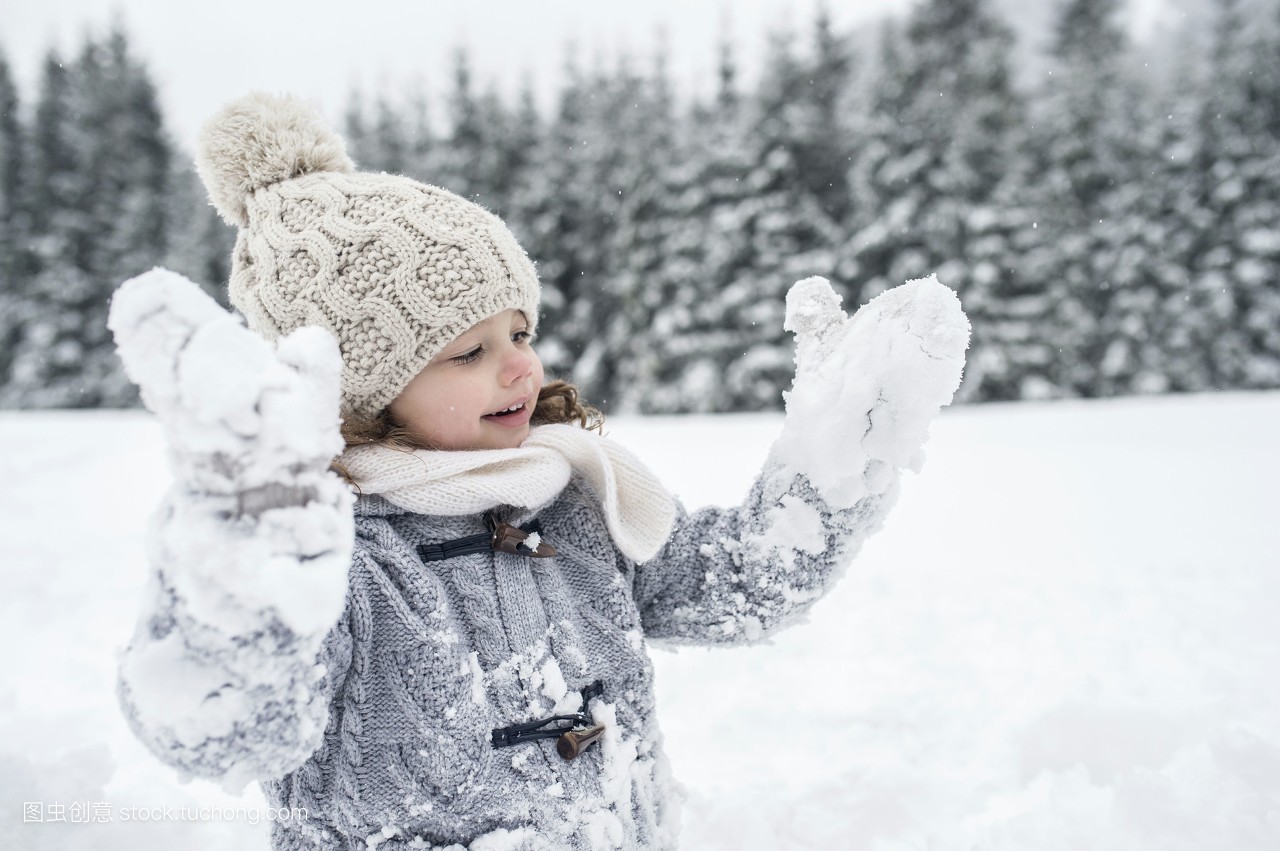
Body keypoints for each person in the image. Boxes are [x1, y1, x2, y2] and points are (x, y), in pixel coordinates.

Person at [108, 92, 970, 851]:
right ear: (363, 391)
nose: (521, 368)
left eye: (519, 332)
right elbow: (230, 734)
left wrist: (831, 467)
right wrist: (240, 567)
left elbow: (731, 584)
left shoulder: (573, 501)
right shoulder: (340, 561)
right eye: (468, 352)